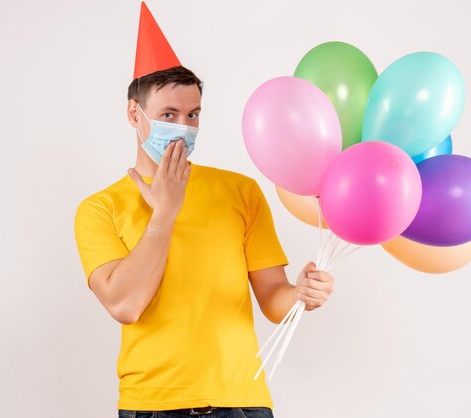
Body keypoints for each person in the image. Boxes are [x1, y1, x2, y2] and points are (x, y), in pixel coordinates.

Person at [73, 3, 334, 417]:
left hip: (242, 404)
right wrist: (164, 213)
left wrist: (301, 295)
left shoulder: (239, 191)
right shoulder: (99, 209)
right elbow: (125, 305)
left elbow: (271, 299)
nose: (184, 127)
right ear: (134, 115)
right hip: (153, 407)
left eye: (193, 114)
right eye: (168, 115)